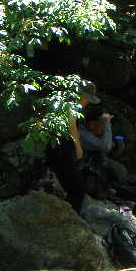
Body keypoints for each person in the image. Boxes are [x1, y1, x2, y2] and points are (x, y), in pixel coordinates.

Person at [45, 81, 100, 213]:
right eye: (87, 99)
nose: (87, 102)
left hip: (55, 149)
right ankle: (70, 218)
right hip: (62, 151)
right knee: (77, 190)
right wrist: (78, 146)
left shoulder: (61, 102)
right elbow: (71, 122)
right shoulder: (72, 106)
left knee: (73, 187)